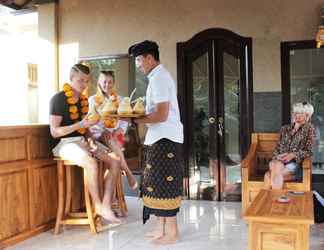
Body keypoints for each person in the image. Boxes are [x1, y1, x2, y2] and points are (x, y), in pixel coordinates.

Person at [49, 63, 121, 223]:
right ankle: (98, 206)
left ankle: (106, 204)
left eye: (87, 81)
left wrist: (90, 139)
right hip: (64, 144)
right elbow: (54, 132)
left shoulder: (83, 100)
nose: (84, 85)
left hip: (82, 141)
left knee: (115, 161)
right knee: (91, 163)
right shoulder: (58, 99)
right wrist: (79, 125)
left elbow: (86, 127)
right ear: (71, 79)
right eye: (81, 80)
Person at [128, 40, 184, 245]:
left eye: (139, 61)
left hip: (165, 139)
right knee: (156, 185)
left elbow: (161, 114)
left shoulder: (160, 78)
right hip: (159, 138)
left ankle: (172, 232)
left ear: (150, 58)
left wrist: (135, 119)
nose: (138, 65)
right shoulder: (156, 77)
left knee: (166, 186)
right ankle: (160, 228)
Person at [88, 70, 138, 194]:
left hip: (116, 136)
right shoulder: (92, 100)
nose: (107, 84)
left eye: (110, 82)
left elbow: (124, 120)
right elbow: (91, 122)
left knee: (113, 139)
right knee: (108, 136)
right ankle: (128, 172)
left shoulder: (120, 100)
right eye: (104, 81)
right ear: (99, 82)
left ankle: (124, 178)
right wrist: (103, 130)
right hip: (98, 136)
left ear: (113, 83)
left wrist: (119, 130)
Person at [264, 102, 315, 189]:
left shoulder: (309, 129)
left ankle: (269, 201)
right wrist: (278, 156)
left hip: (295, 164)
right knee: (274, 166)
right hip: (280, 162)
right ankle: (275, 200)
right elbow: (278, 147)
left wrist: (293, 155)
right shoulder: (285, 129)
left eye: (299, 113)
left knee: (268, 175)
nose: (295, 115)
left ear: (307, 115)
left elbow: (309, 151)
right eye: (294, 112)